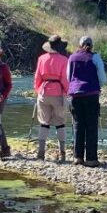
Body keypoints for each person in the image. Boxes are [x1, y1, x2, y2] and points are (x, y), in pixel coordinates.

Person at [66, 36, 107, 167]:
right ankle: (91, 159)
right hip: (91, 94)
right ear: (91, 45)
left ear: (79, 45)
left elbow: (68, 77)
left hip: (75, 95)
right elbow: (102, 78)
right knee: (91, 126)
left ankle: (78, 157)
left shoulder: (72, 57)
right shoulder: (95, 57)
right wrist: (95, 85)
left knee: (78, 125)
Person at [33, 34, 70, 162]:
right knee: (60, 122)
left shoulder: (41, 58)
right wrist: (67, 91)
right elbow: (65, 79)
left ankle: (41, 152)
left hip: (44, 92)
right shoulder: (64, 60)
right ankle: (62, 153)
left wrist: (38, 90)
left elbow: (37, 77)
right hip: (58, 93)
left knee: (44, 122)